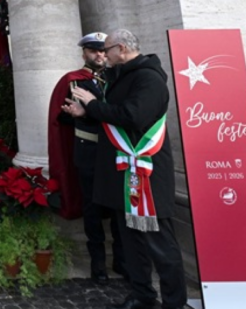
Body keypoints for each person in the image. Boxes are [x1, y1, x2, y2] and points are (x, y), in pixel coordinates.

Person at [64, 29, 186, 309]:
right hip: (123, 172)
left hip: (146, 173)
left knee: (159, 244)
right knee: (132, 241)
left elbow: (133, 116)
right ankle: (143, 295)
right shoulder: (120, 76)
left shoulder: (149, 78)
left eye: (107, 49)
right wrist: (86, 113)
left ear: (121, 48)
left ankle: (174, 302)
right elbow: (114, 119)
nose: (103, 55)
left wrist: (93, 104)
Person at [48, 32, 125, 285]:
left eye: (102, 51)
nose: (99, 55)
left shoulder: (117, 78)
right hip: (90, 151)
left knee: (118, 208)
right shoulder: (74, 80)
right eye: (94, 51)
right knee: (92, 208)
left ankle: (121, 260)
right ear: (84, 53)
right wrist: (79, 114)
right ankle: (98, 263)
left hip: (117, 151)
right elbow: (62, 118)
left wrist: (89, 111)